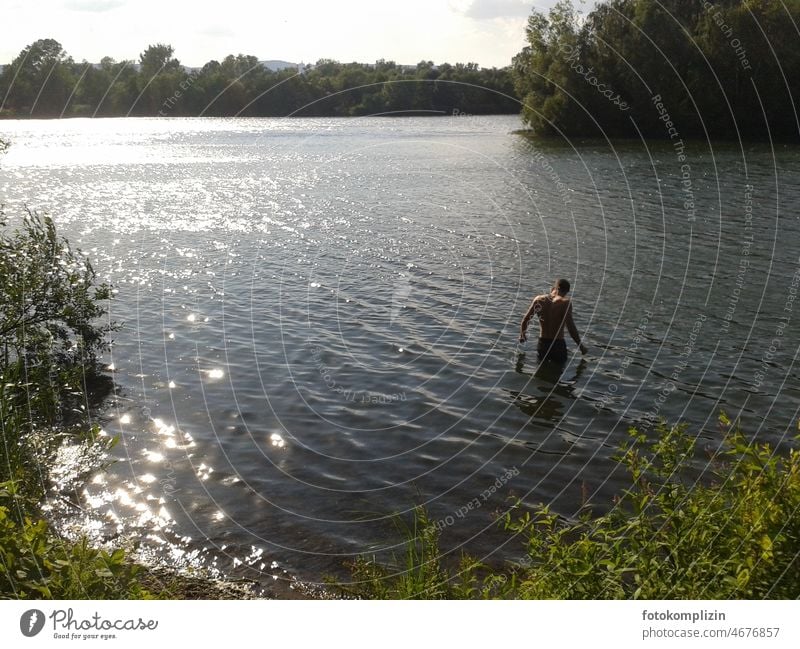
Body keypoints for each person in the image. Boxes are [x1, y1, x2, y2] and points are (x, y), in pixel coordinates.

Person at [519, 278, 587, 362]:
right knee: (558, 373)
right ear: (566, 291)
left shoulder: (538, 300)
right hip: (558, 344)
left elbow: (526, 319)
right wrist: (581, 347)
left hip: (542, 344)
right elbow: (571, 327)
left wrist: (522, 335)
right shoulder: (565, 303)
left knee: (541, 372)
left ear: (554, 288)